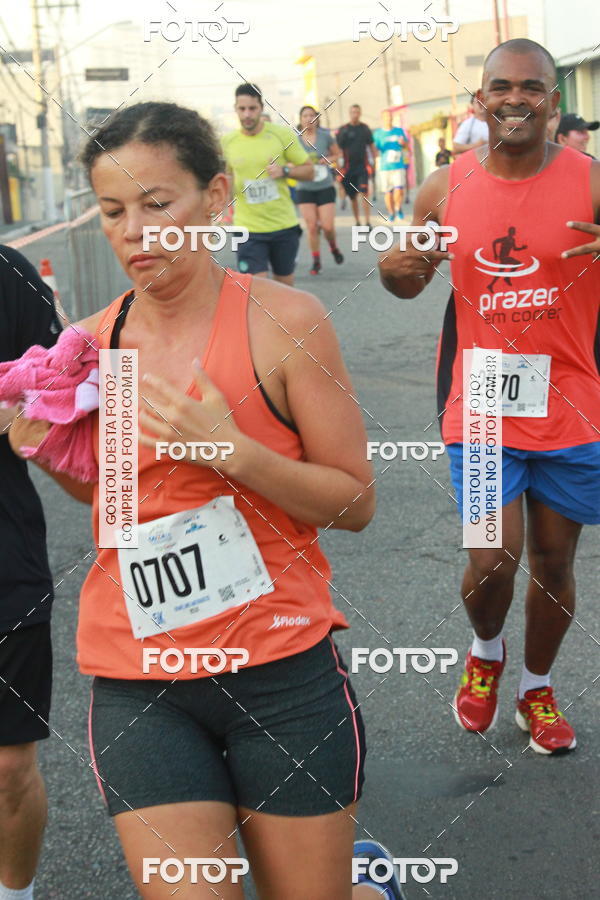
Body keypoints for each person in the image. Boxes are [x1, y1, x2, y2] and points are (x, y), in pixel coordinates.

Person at [10, 100, 407, 899]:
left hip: (281, 673)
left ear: (216, 197)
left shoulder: (284, 323)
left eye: (159, 204)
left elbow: (354, 502)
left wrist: (233, 451)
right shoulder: (93, 345)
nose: (134, 230)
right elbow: (121, 509)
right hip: (140, 678)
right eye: (114, 211)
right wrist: (49, 450)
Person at [379, 38, 600, 755]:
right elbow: (407, 280)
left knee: (555, 561)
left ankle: (536, 686)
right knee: (490, 556)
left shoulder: (592, 181)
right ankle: (486, 653)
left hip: (571, 399)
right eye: (500, 86)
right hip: (480, 400)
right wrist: (394, 268)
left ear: (554, 102)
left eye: (531, 88)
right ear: (479, 101)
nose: (515, 98)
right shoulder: (442, 188)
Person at [0, 246, 61, 900]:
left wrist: (26, 418)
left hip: (6, 560)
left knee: (9, 767)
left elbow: (59, 393)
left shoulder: (10, 274)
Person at [221, 83, 314, 286]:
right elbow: (227, 177)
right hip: (247, 229)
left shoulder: (282, 136)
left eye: (252, 109)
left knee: (284, 287)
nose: (247, 114)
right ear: (236, 109)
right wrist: (222, 208)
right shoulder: (228, 142)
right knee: (257, 290)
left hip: (283, 226)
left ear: (261, 108)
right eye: (242, 109)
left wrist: (285, 171)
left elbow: (309, 171)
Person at [295, 105, 343, 275]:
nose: (309, 119)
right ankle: (316, 261)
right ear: (300, 120)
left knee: (328, 227)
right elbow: (287, 160)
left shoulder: (325, 137)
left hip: (324, 186)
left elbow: (338, 154)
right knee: (312, 226)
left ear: (316, 119)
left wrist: (328, 159)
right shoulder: (295, 140)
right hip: (304, 187)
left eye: (312, 116)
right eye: (305, 116)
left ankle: (333, 247)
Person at [337, 105, 375, 228]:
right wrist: (338, 168)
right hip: (348, 169)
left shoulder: (365, 129)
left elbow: (372, 146)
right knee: (353, 197)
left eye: (357, 112)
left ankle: (368, 222)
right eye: (353, 112)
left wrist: (374, 163)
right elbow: (337, 150)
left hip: (362, 168)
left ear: (360, 113)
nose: (355, 114)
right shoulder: (344, 130)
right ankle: (357, 221)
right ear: (349, 113)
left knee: (364, 193)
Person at [373, 110, 409, 221]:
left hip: (398, 165)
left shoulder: (399, 131)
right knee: (388, 192)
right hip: (385, 167)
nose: (388, 118)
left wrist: (403, 144)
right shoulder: (378, 134)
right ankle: (391, 211)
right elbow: (374, 149)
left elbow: (406, 145)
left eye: (390, 116)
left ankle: (398, 207)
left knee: (399, 189)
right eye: (386, 117)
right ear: (382, 119)